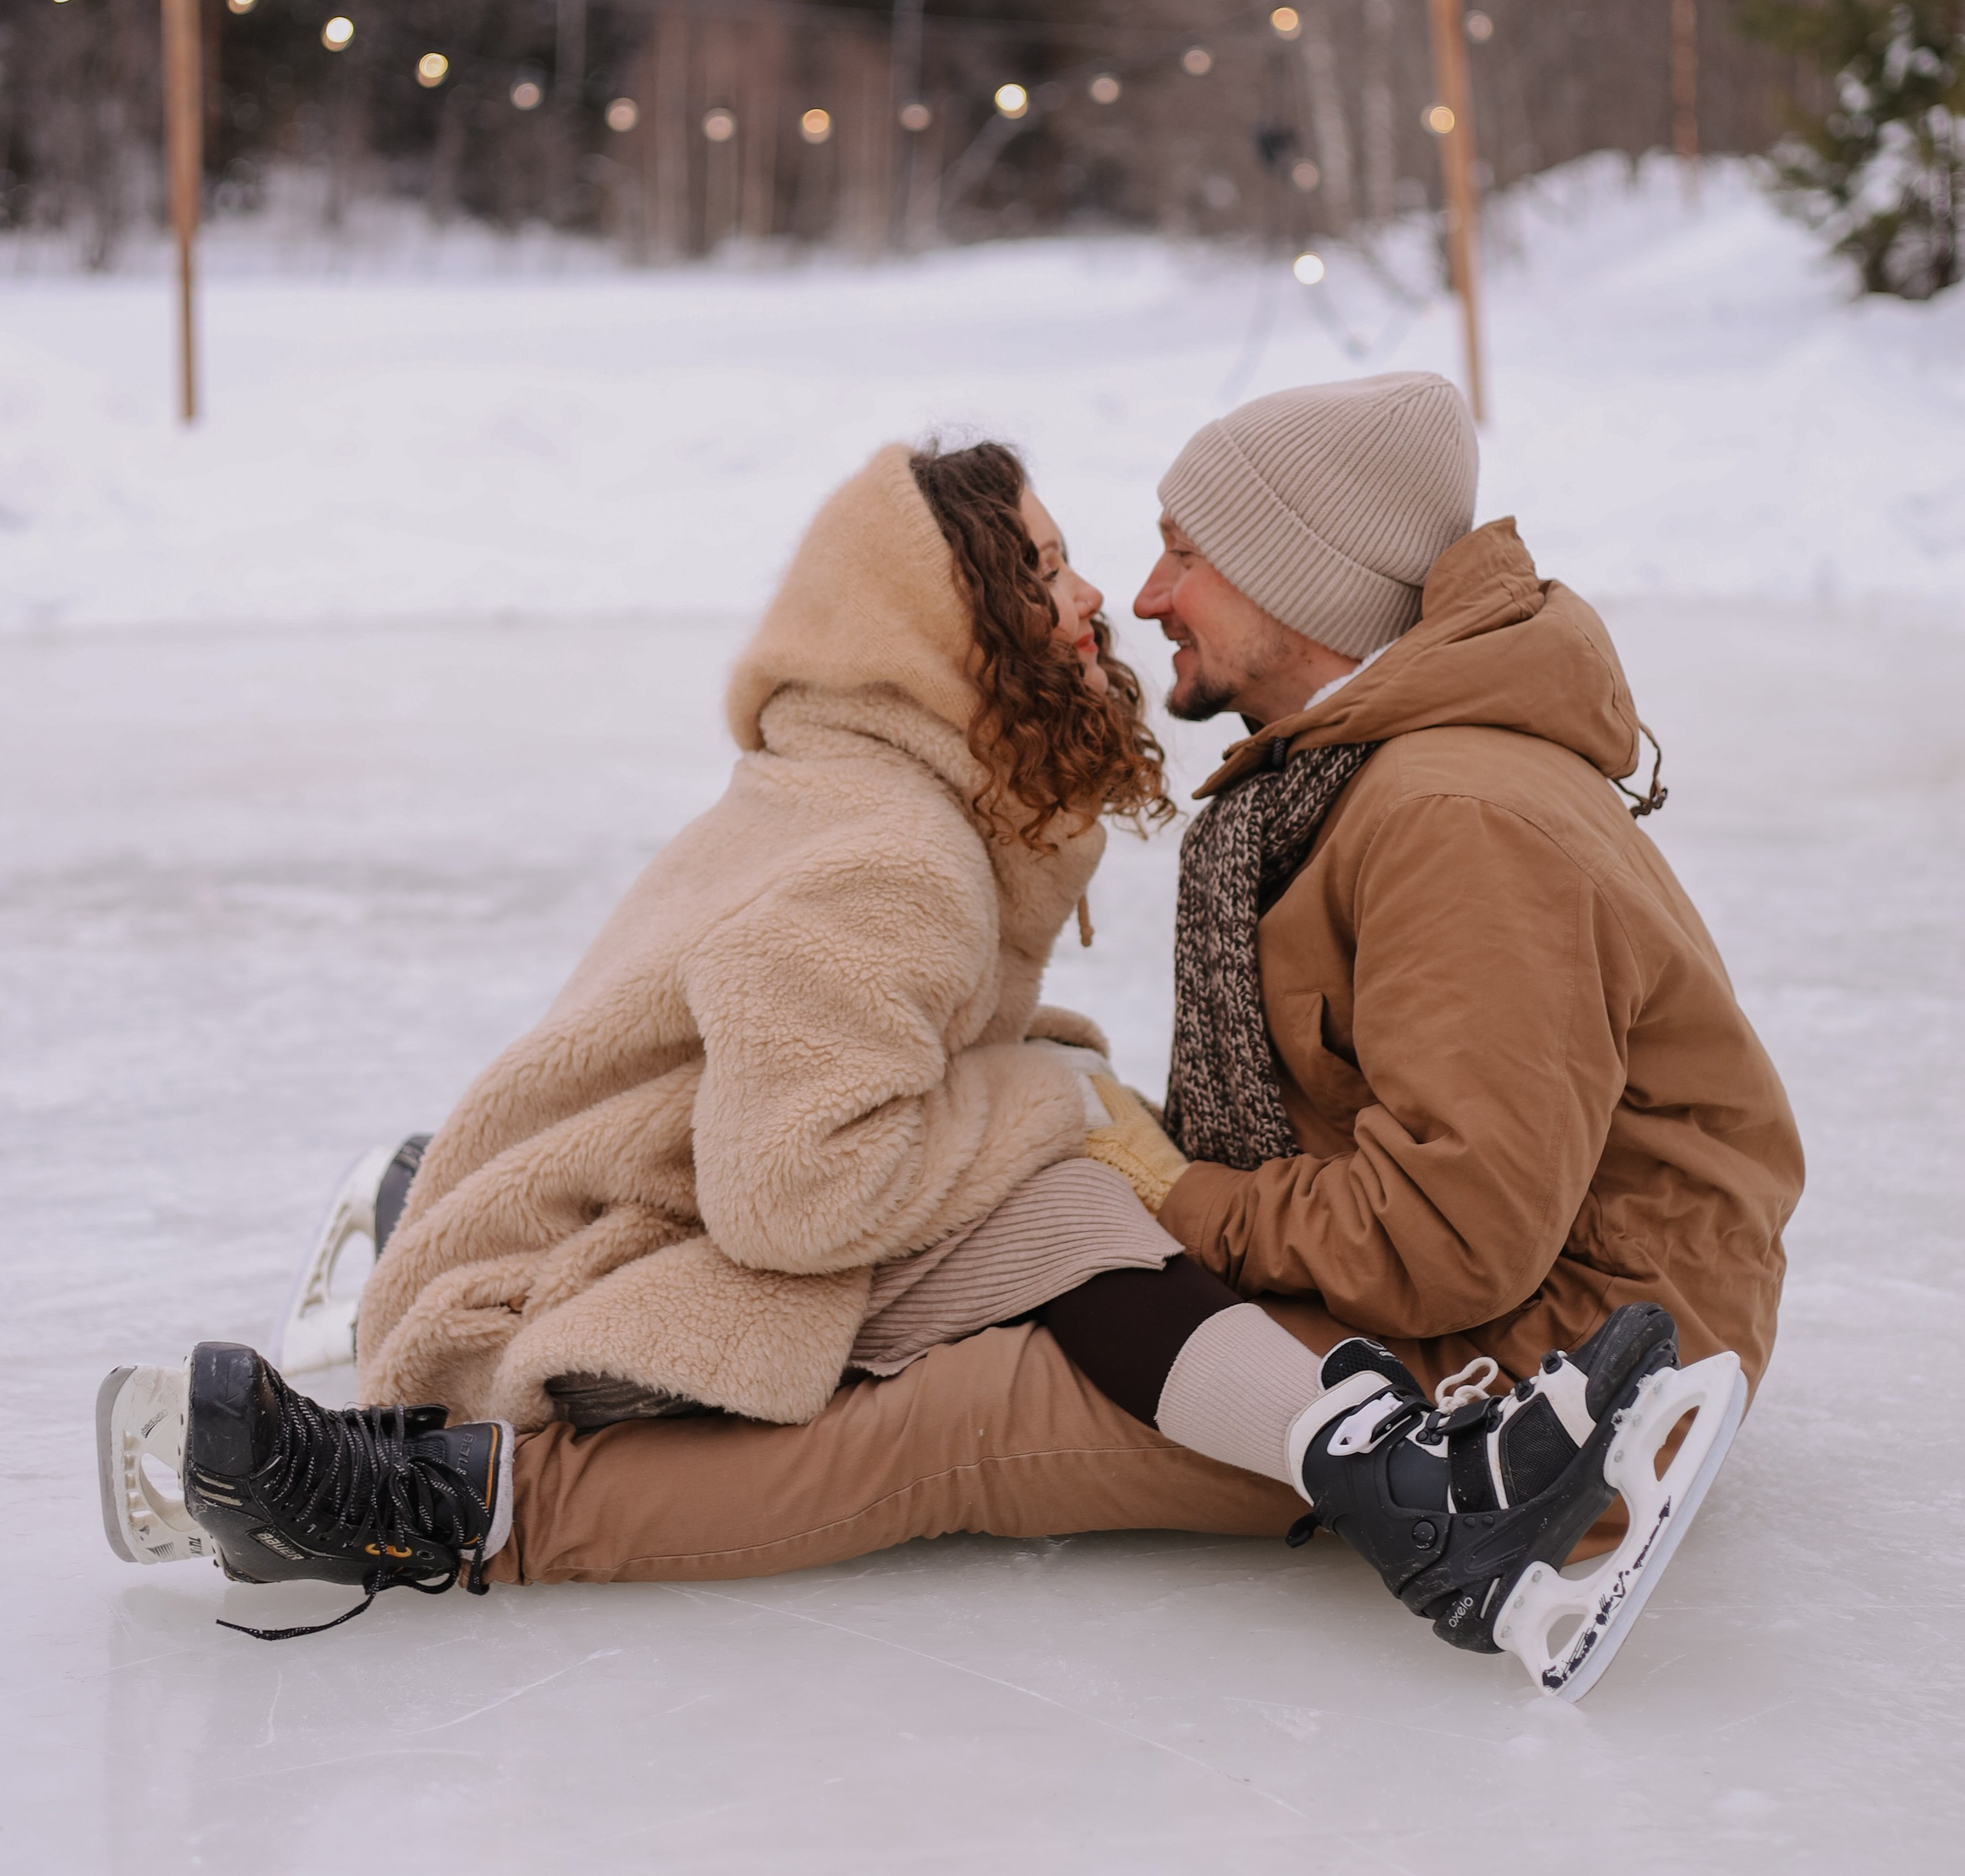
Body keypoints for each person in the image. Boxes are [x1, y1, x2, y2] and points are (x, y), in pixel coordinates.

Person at [99, 376, 1804, 1700]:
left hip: (1576, 1346)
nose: (1139, 597)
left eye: (1183, 553)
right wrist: (1088, 1145)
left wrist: (1138, 1182)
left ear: (1298, 584)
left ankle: (450, 1510)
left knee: (976, 1405)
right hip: (1494, 1282)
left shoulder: (1450, 815)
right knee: (1024, 1197)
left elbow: (1444, 1238)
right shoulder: (1362, 780)